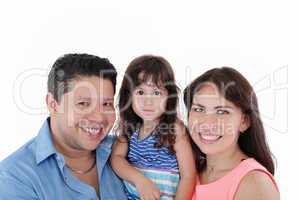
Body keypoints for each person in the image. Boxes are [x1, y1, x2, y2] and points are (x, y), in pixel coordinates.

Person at [0, 54, 127, 199]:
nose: (98, 117)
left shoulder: (128, 151)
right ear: (53, 104)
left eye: (107, 104)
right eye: (83, 104)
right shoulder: (14, 177)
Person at [183, 67, 280, 200]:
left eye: (222, 112)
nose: (207, 123)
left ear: (244, 121)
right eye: (199, 109)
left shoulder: (254, 183)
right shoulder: (186, 173)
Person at [110, 55, 196, 200]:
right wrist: (139, 180)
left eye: (157, 93)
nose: (148, 102)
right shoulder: (130, 129)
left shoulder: (174, 129)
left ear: (169, 97)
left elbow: (188, 175)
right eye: (140, 92)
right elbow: (116, 158)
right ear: (128, 96)